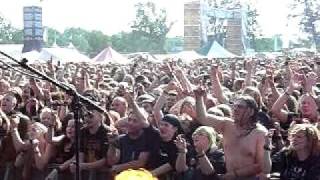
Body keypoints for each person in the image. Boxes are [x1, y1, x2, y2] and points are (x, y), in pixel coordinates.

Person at [194, 86, 271, 179]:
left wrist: (236, 174)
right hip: (228, 176)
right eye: (234, 106)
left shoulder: (260, 133)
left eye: (240, 107)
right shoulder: (227, 124)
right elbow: (202, 118)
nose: (235, 109)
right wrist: (199, 98)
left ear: (251, 112)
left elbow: (261, 165)